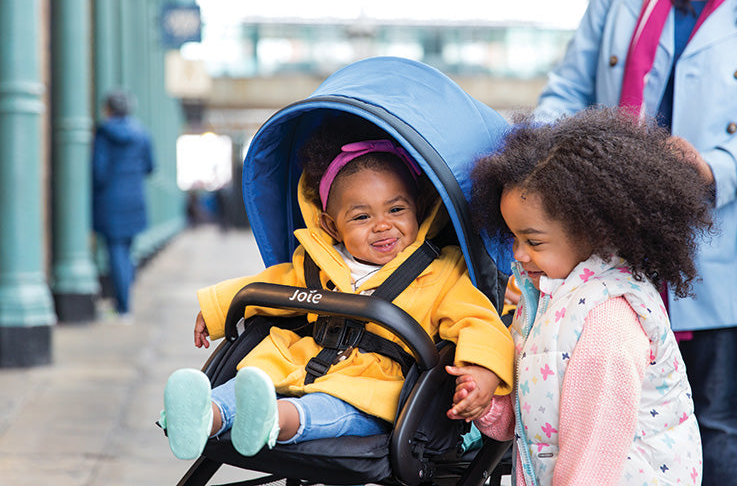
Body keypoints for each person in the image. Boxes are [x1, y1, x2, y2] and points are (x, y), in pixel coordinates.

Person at [160, 116, 515, 460]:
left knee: (330, 408)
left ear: (418, 209)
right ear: (331, 226)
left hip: (372, 383)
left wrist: (481, 371)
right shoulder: (319, 261)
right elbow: (274, 283)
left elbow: (479, 321)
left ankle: (274, 421)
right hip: (302, 360)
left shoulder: (442, 270)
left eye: (396, 209)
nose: (382, 226)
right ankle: (206, 415)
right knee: (250, 381)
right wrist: (218, 308)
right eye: (362, 217)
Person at [531, 0, 737, 483]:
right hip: (611, 237)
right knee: (606, 416)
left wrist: (714, 167)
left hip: (718, 245)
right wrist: (546, 161)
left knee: (719, 421)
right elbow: (569, 89)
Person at [453, 108, 713, 485]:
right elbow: (527, 417)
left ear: (593, 230)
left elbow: (592, 463)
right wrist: (486, 402)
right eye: (513, 237)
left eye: (533, 241)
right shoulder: (546, 298)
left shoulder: (608, 324)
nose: (518, 255)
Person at [91, 89, 154, 320]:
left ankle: (123, 308)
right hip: (135, 199)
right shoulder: (142, 134)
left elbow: (98, 172)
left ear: (108, 109)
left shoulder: (104, 133)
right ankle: (123, 303)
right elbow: (150, 166)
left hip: (110, 200)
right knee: (126, 251)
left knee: (116, 252)